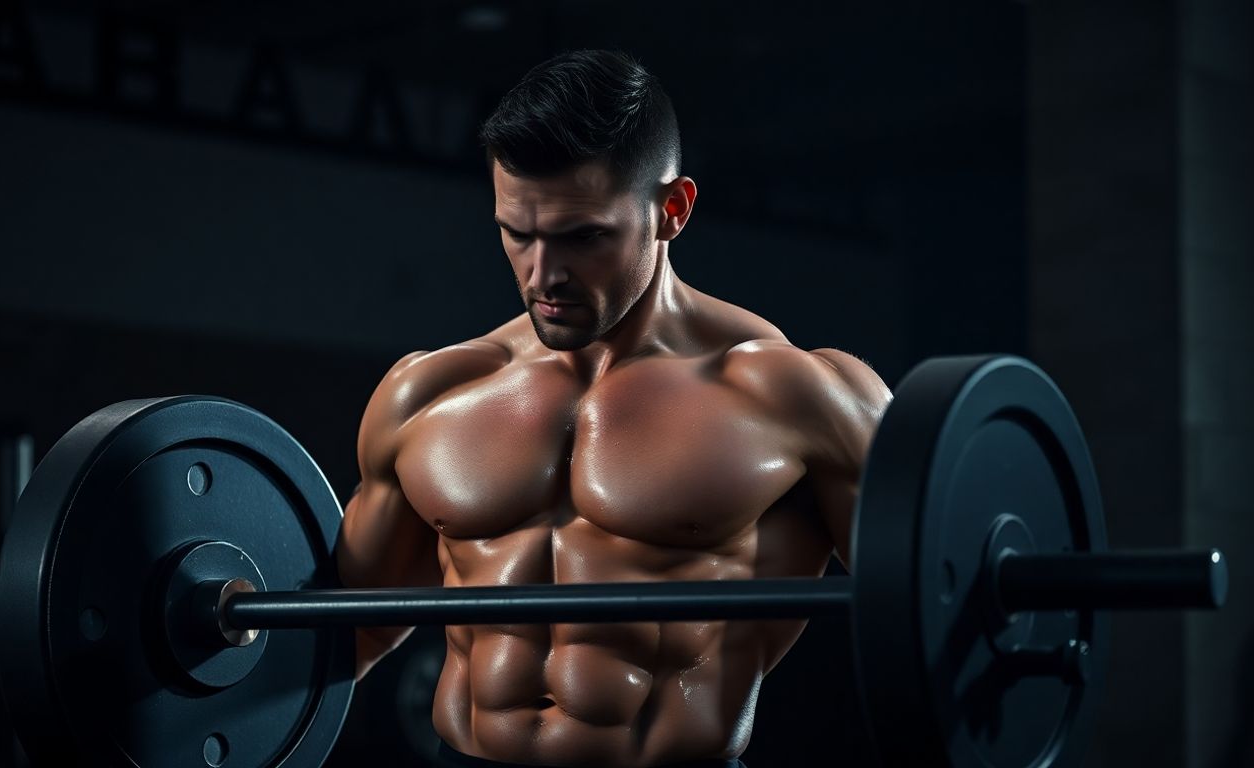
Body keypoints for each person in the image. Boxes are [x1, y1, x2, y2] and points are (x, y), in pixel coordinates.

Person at [336, 49, 892, 768]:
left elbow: (925, 619)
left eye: (583, 236)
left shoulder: (794, 397)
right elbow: (350, 629)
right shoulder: (428, 392)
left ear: (672, 211)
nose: (545, 275)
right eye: (518, 233)